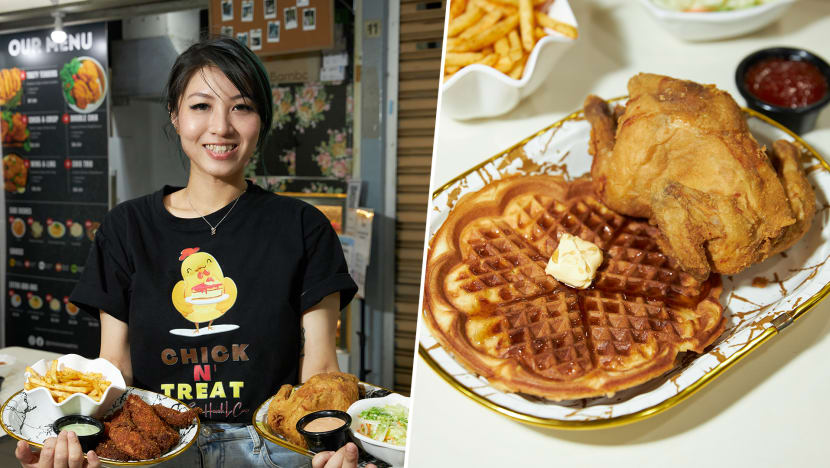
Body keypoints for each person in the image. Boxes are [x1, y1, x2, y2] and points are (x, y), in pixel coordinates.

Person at [16, 37, 371, 468]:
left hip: (273, 449)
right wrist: (78, 440)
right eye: (201, 106)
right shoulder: (126, 229)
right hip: (160, 445)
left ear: (262, 119)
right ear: (176, 115)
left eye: (241, 107)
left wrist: (329, 447)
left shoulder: (303, 226)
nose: (220, 127)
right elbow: (114, 366)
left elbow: (320, 369)